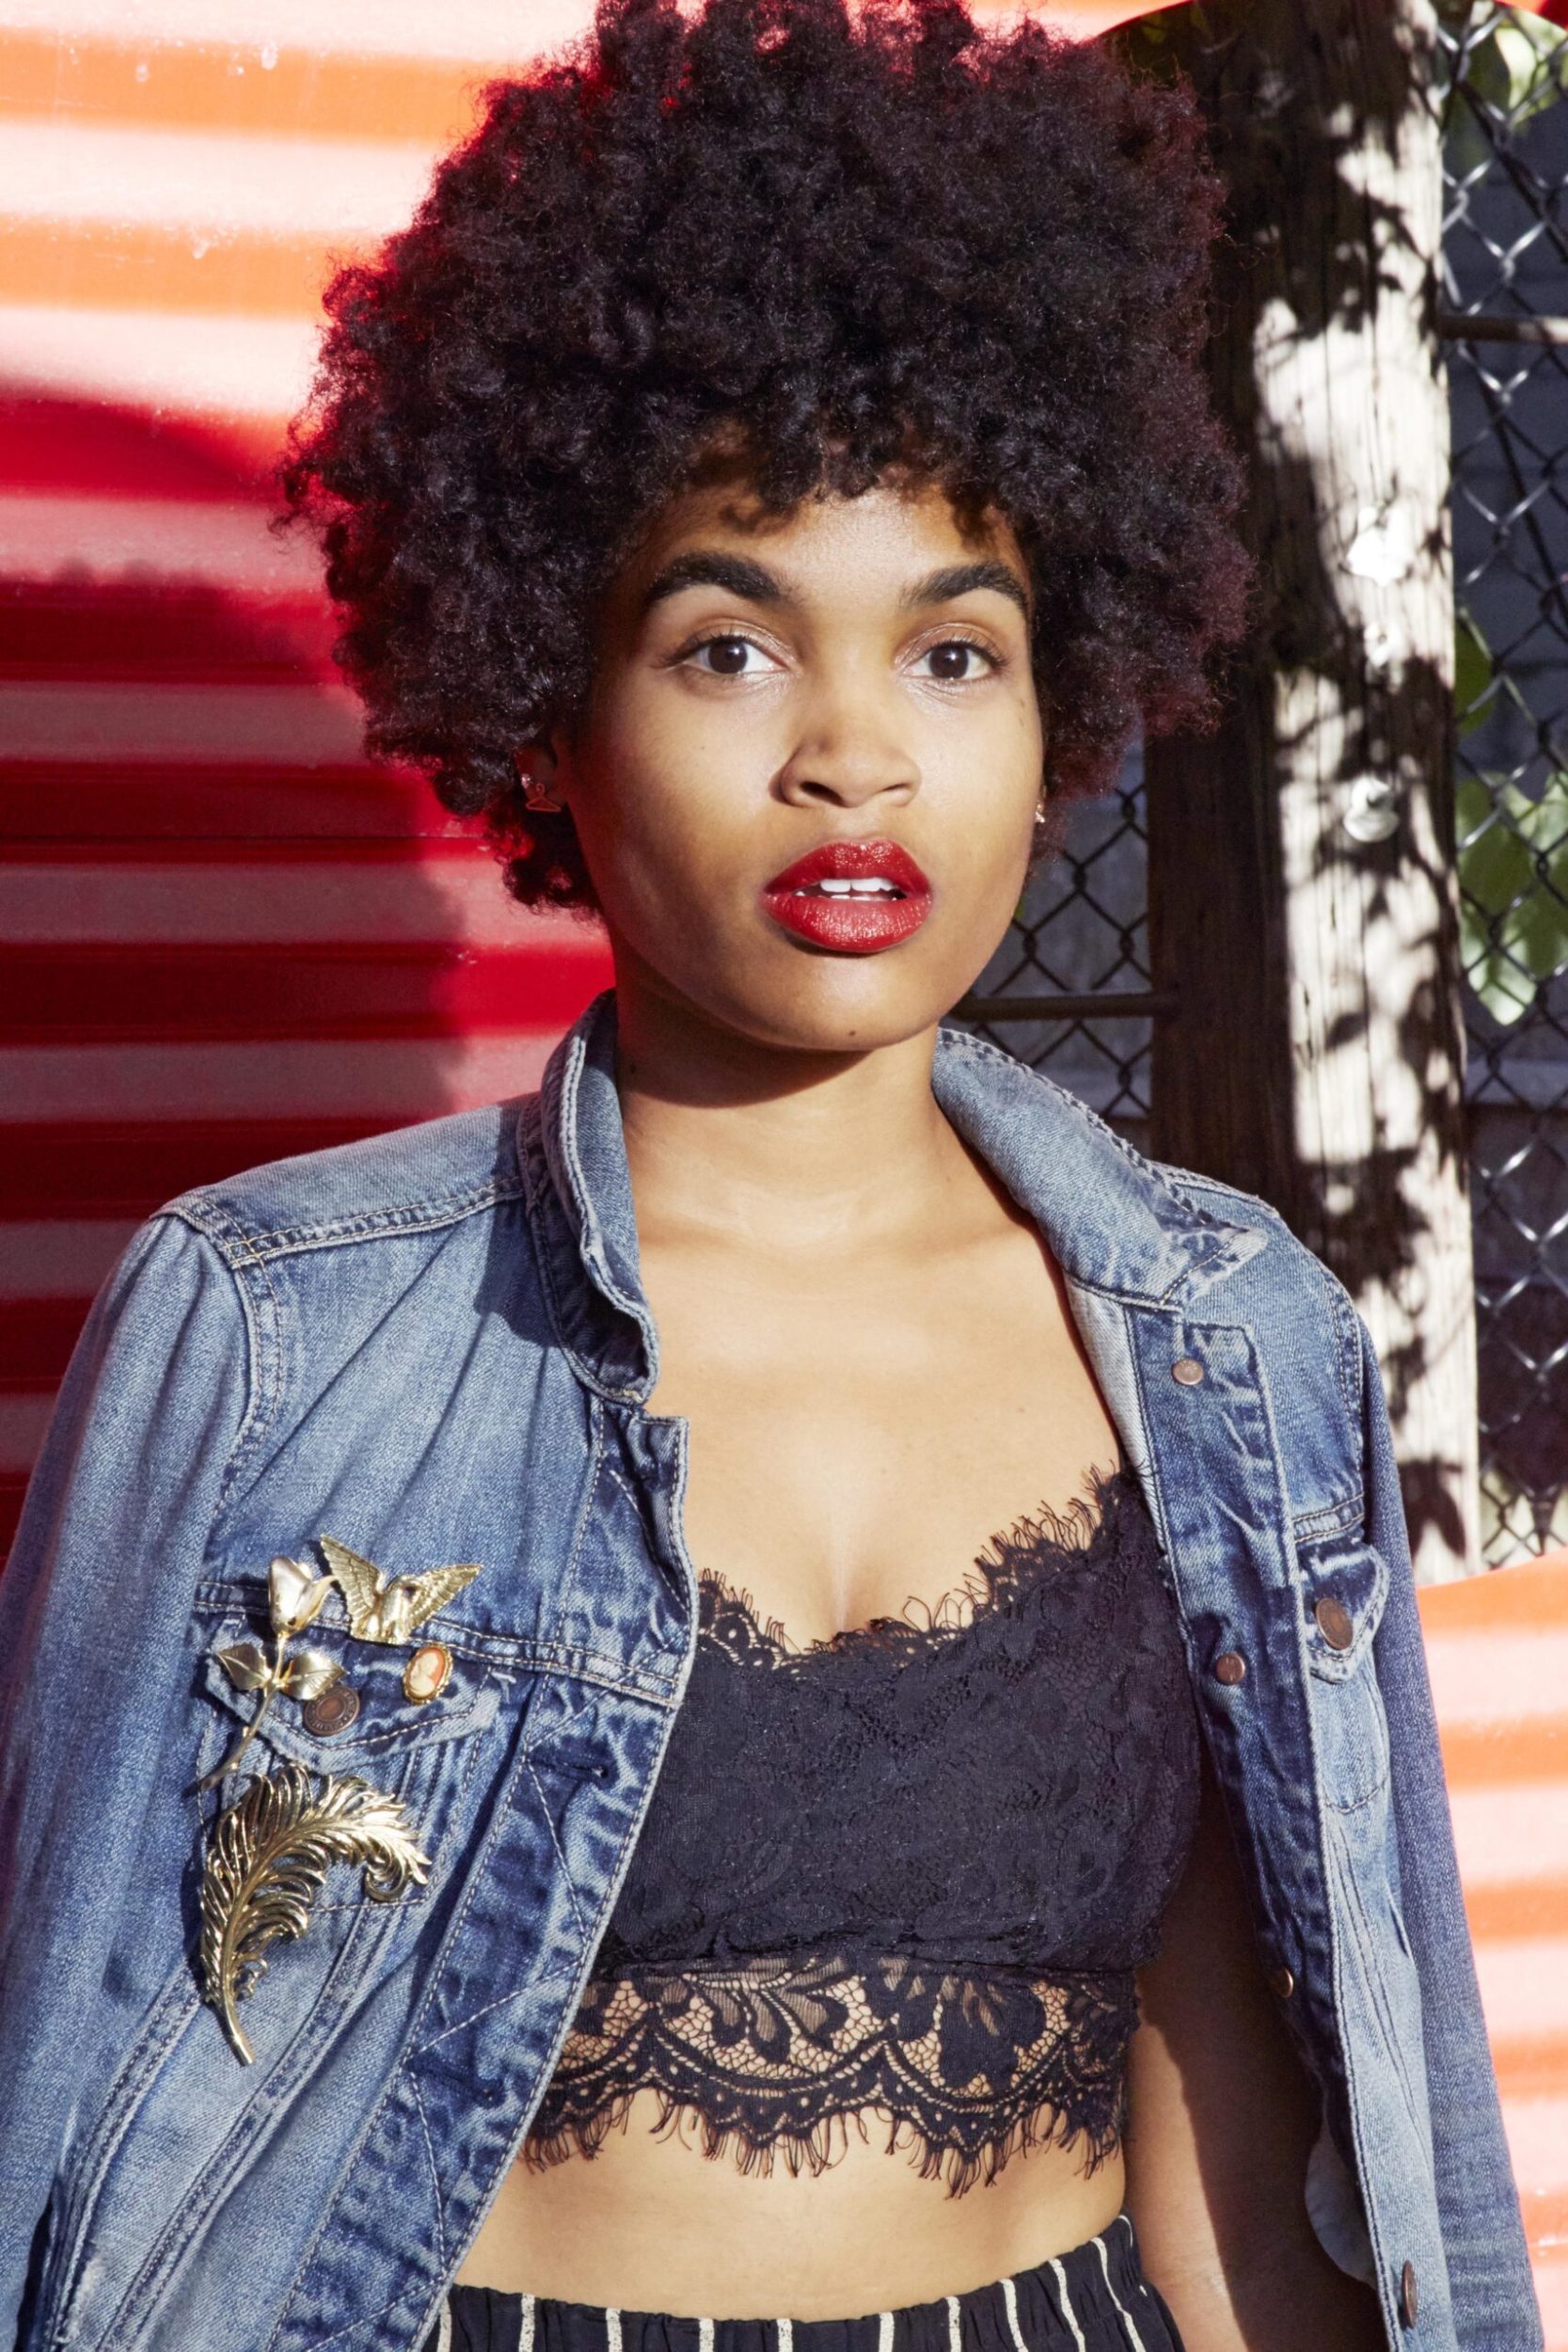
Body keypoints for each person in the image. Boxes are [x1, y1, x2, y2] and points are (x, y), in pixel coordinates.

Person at [0, 2, 1540, 2349]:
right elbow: (61, 2092)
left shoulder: (1240, 1337)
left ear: (1062, 712)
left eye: (954, 649)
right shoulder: (272, 1324)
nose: (852, 756)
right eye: (730, 644)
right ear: (549, 698)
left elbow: (1252, 2106)